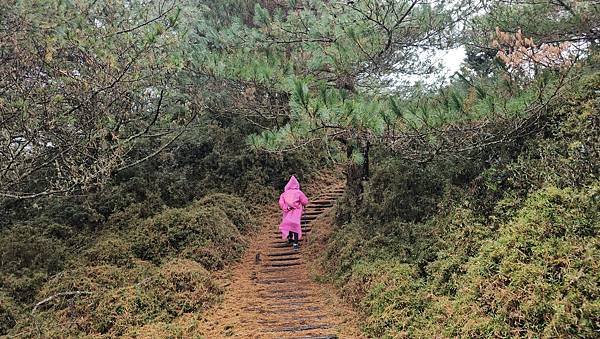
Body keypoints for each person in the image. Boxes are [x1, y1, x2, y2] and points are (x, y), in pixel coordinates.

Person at [278, 175, 309, 250]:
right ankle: (295, 243)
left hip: (287, 211)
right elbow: (305, 201)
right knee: (295, 224)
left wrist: (286, 208)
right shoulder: (299, 192)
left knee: (289, 223)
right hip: (296, 211)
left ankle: (290, 238)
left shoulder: (284, 194)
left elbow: (281, 203)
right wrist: (303, 204)